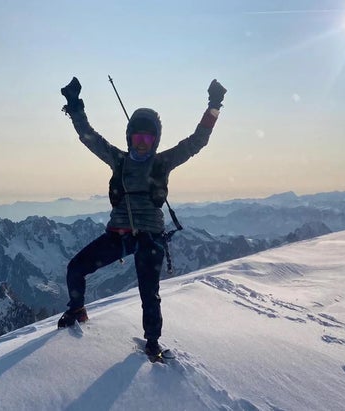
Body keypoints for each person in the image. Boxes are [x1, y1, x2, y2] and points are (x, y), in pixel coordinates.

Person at [57, 76, 226, 356]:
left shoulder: (162, 162)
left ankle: (152, 343)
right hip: (119, 235)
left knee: (149, 293)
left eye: (148, 138)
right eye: (138, 137)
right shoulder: (119, 160)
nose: (142, 144)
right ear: (130, 137)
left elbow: (198, 141)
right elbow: (88, 136)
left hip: (149, 237)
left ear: (155, 140)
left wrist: (214, 106)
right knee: (76, 268)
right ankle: (77, 311)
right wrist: (74, 105)